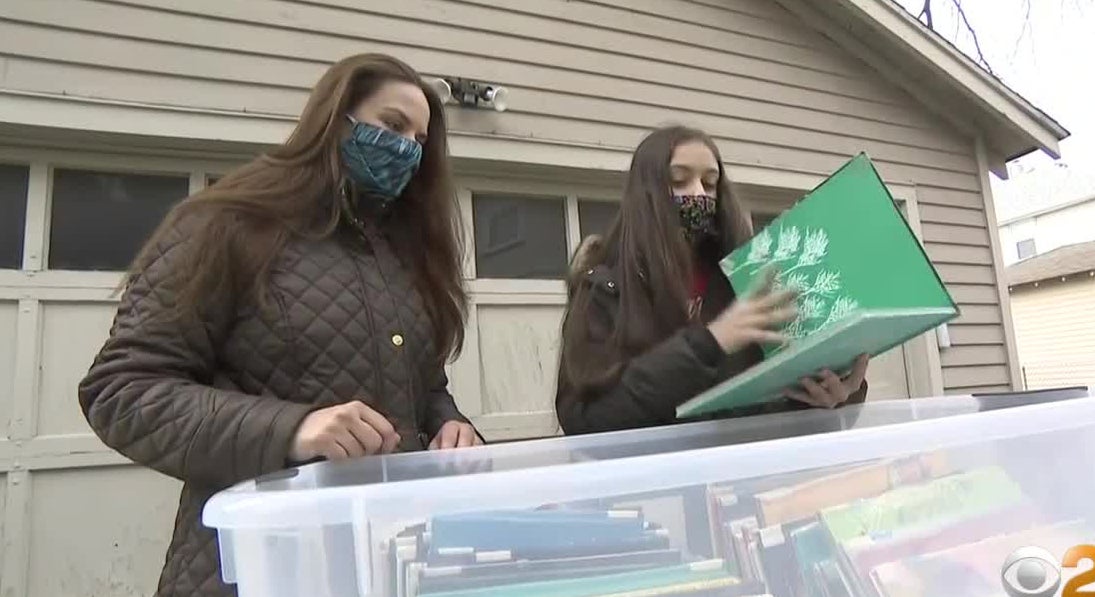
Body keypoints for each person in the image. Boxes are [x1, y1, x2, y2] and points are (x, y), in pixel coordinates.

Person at [78, 53, 481, 597]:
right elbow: (121, 391)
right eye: (392, 125)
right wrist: (292, 429)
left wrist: (449, 425)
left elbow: (424, 384)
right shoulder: (226, 225)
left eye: (419, 139)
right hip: (258, 569)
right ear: (336, 120)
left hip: (390, 564)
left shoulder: (398, 250)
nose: (407, 147)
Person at [556, 125, 870, 435]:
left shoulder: (745, 280)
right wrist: (710, 343)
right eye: (679, 181)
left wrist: (833, 399)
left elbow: (763, 407)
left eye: (709, 183)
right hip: (658, 483)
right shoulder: (605, 290)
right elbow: (583, 420)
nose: (698, 194)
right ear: (645, 194)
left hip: (746, 479)